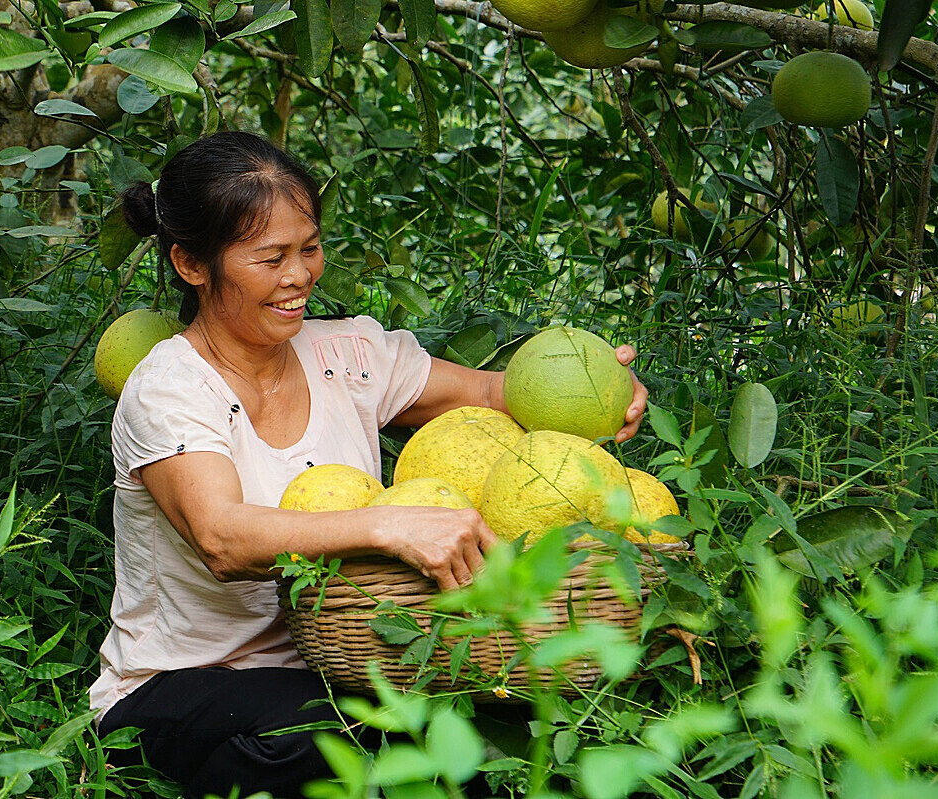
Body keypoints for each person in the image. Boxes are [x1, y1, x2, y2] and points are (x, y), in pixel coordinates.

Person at [89, 130, 649, 799]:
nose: (299, 275)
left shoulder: (348, 354)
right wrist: (386, 525)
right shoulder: (171, 386)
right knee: (343, 742)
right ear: (191, 264)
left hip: (346, 661)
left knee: (501, 746)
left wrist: (597, 394)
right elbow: (222, 538)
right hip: (182, 685)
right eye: (271, 258)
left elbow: (495, 394)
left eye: (310, 248)